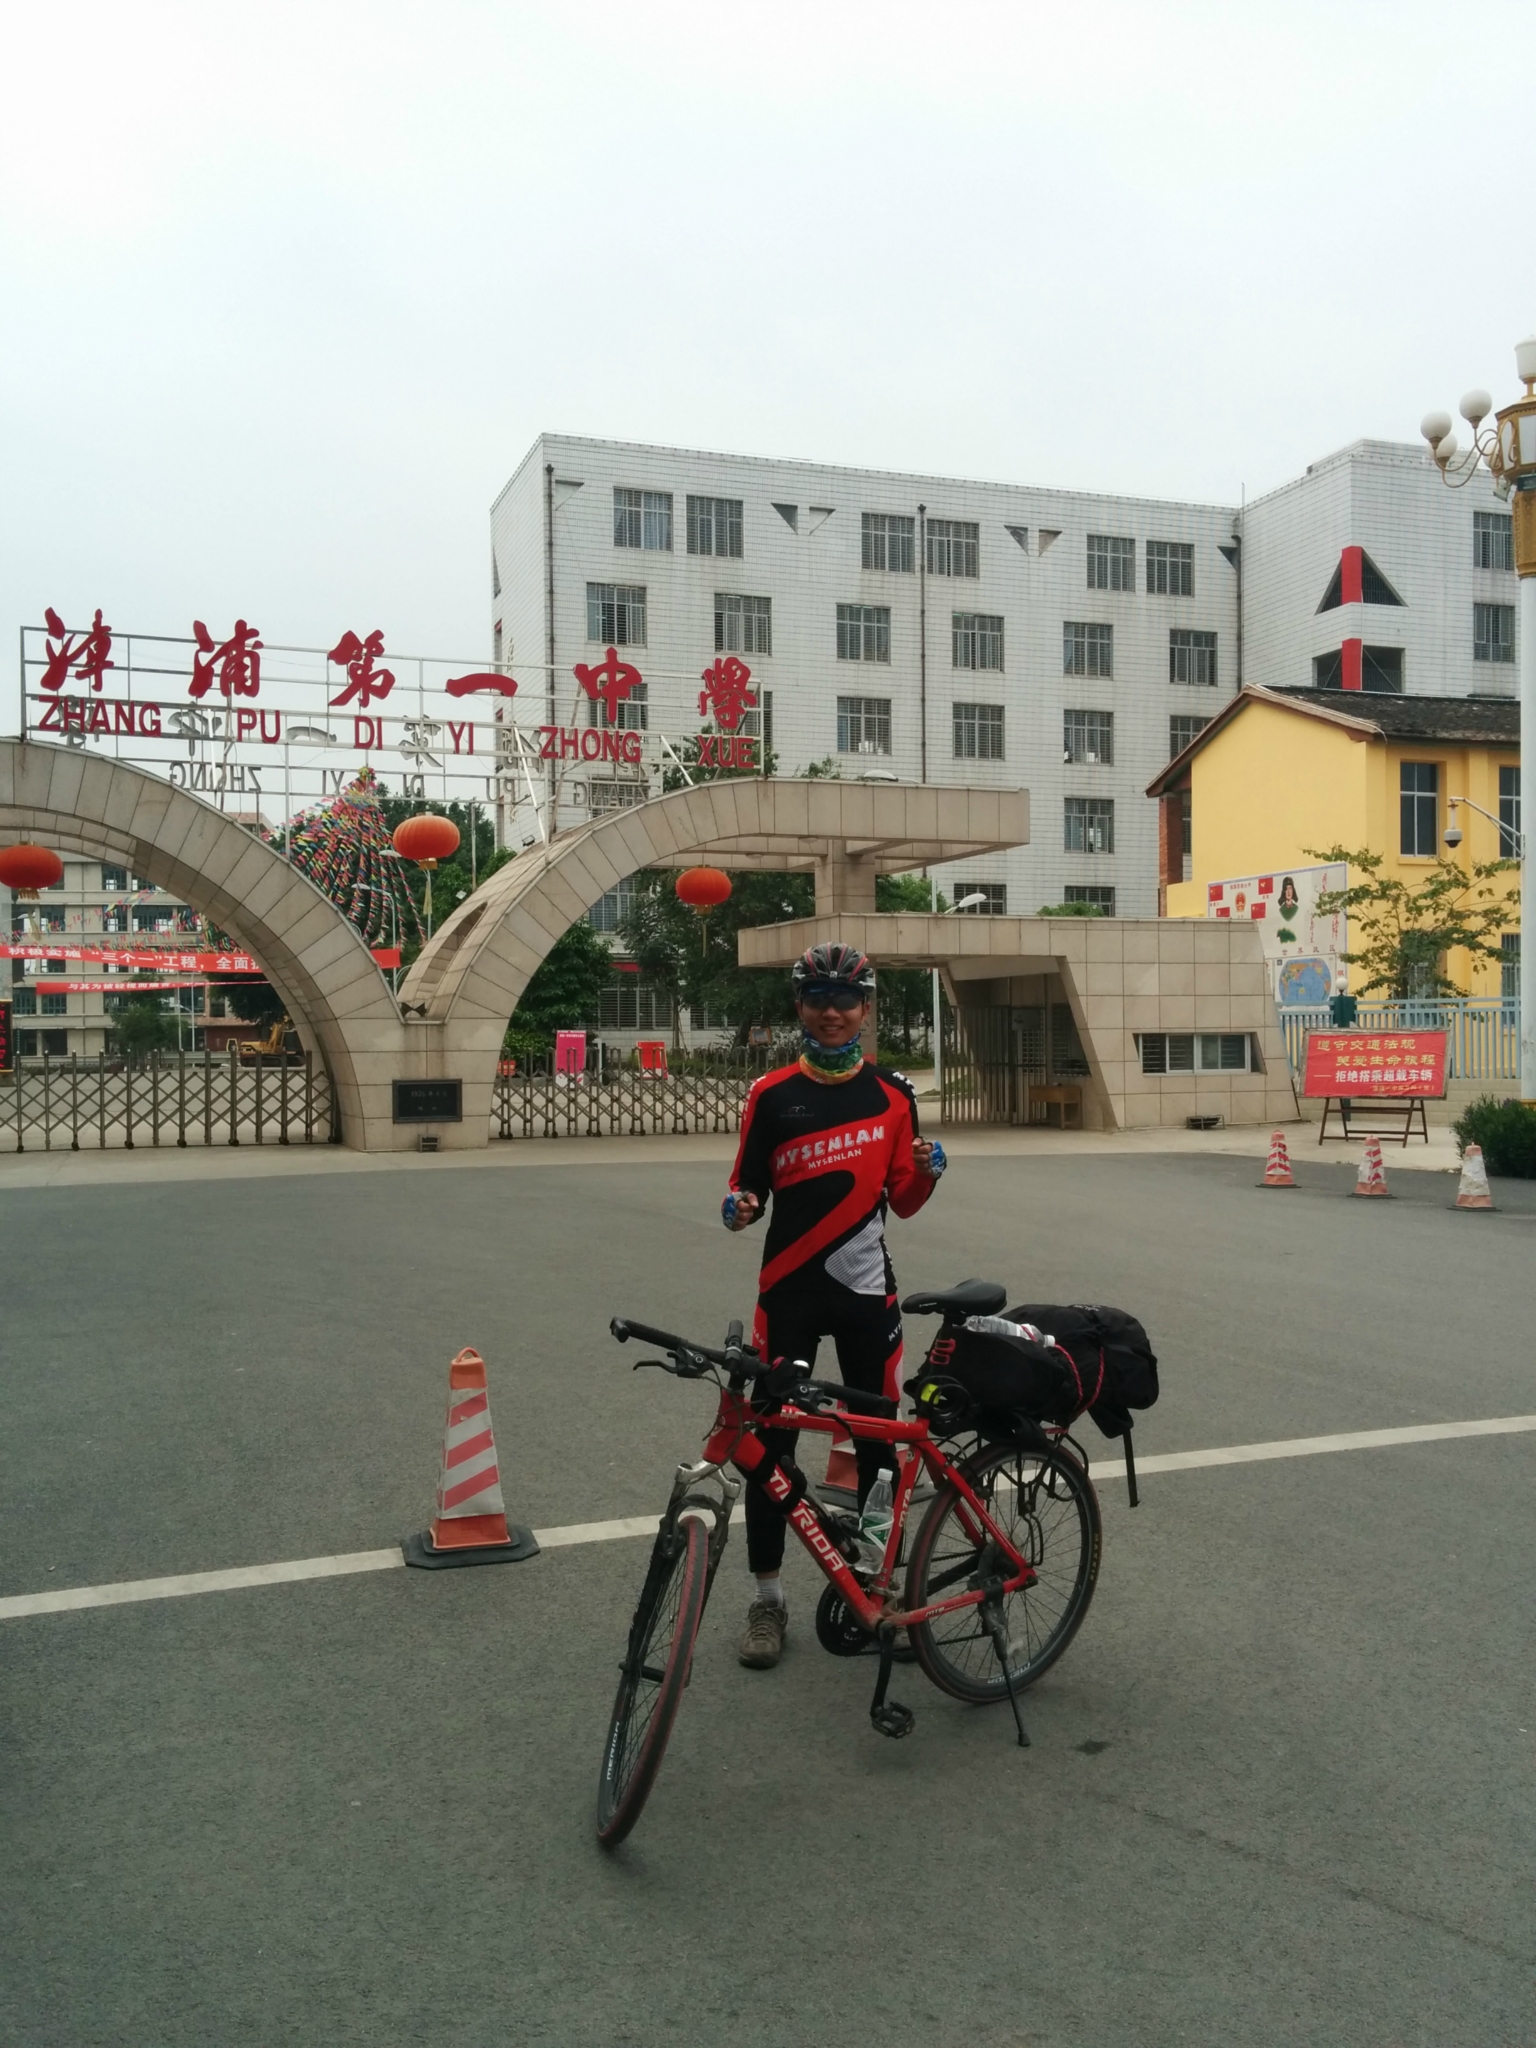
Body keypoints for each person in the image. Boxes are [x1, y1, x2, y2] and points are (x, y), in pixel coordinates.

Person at [721, 939, 945, 1669]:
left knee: (882, 1447)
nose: (831, 1012)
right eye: (817, 998)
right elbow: (744, 1185)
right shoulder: (770, 1094)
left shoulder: (894, 1097)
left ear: (866, 1007)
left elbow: (905, 1203)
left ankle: (884, 1591)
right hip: (785, 1295)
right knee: (769, 1448)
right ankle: (768, 1600)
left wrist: (929, 1173)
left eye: (845, 1000)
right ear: (799, 1005)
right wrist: (741, 1205)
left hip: (864, 1294)